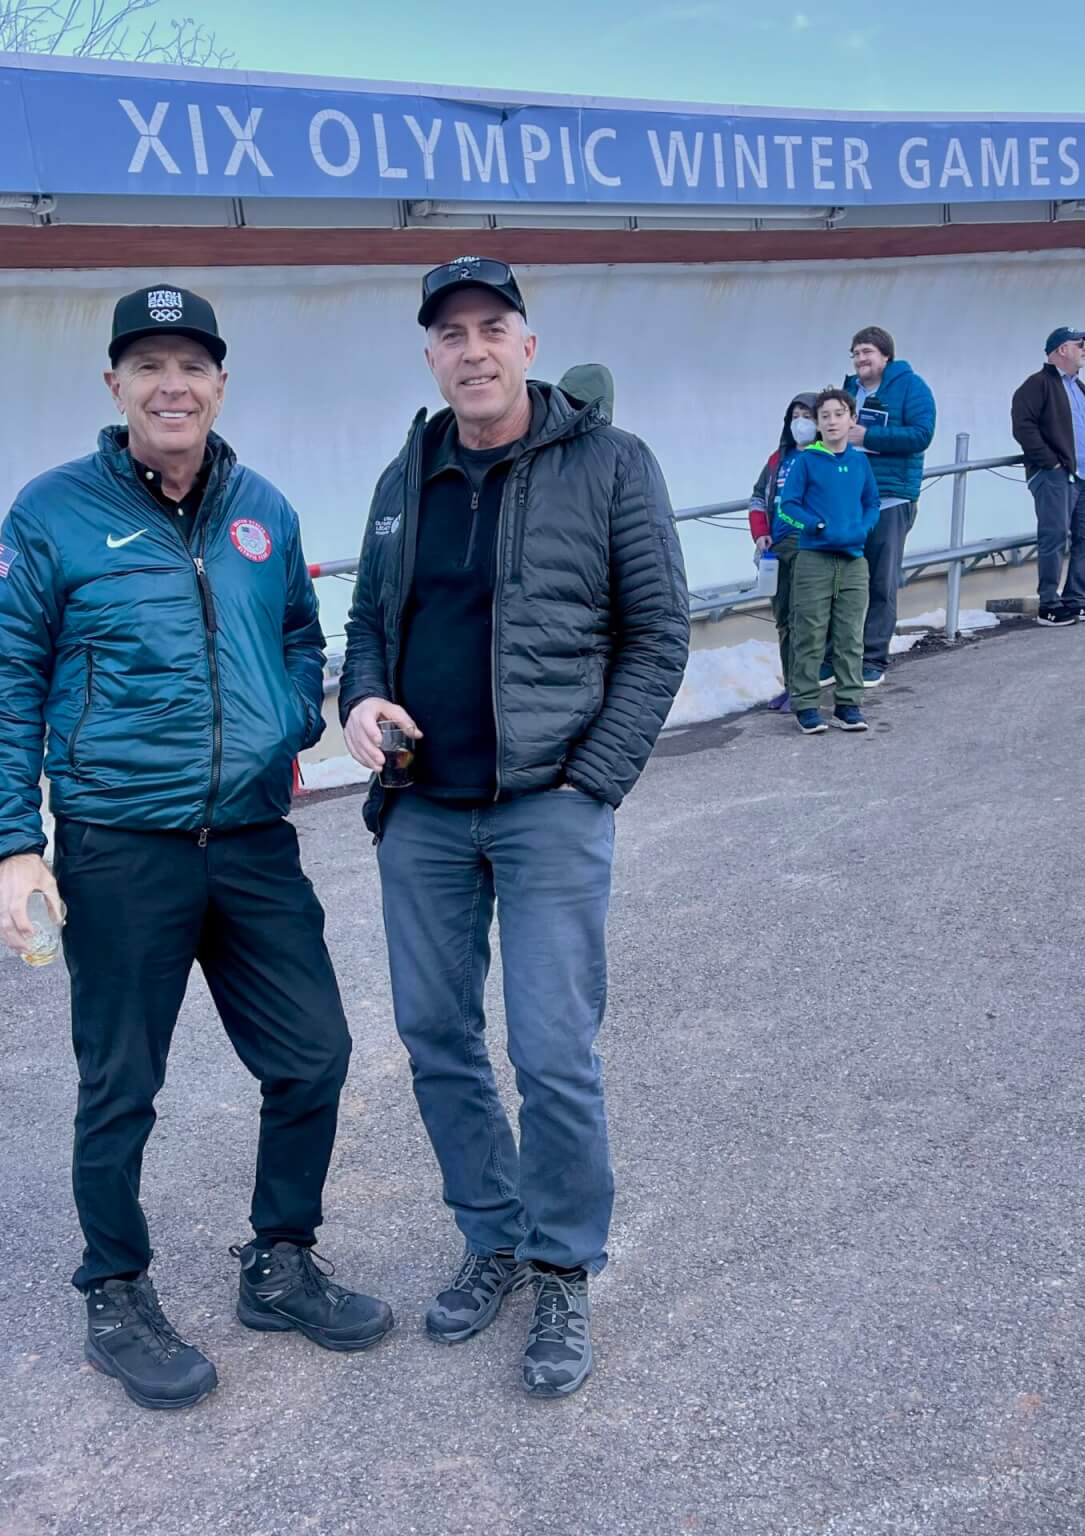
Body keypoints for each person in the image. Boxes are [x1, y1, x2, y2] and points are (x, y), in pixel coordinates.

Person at [0, 283, 393, 1415]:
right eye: (147, 363)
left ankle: (280, 1263)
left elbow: (302, 636)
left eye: (191, 364)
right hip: (119, 845)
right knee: (121, 1084)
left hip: (250, 838)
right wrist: (11, 843)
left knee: (313, 1056)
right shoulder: (51, 513)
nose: (172, 384)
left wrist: (287, 717)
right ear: (114, 385)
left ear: (218, 383)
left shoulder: (264, 509)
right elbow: (3, 681)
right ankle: (114, 1291)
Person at [339, 256, 690, 1399]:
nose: (472, 350)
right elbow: (367, 621)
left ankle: (561, 1266)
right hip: (423, 813)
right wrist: (360, 698)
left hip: (548, 805)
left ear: (528, 346)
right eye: (450, 334)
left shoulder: (609, 465)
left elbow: (658, 637)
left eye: (493, 328)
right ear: (430, 354)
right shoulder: (409, 471)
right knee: (435, 1037)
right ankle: (491, 1235)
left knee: (550, 1050)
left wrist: (594, 780)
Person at [776, 389, 881, 734]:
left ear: (851, 419)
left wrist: (862, 528)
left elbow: (872, 502)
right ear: (818, 425)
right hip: (814, 559)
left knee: (850, 633)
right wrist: (815, 524)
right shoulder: (806, 461)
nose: (832, 421)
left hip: (853, 559)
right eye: (825, 417)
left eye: (839, 414)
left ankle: (848, 704)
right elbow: (788, 504)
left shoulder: (859, 461)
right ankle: (806, 704)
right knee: (809, 631)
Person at [843, 327, 937, 686]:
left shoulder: (911, 387)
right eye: (855, 353)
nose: (860, 359)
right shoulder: (849, 389)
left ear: (885, 355)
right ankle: (841, 652)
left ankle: (873, 657)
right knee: (847, 579)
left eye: (866, 351)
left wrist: (869, 436)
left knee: (881, 580)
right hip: (850, 497)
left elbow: (921, 434)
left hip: (890, 496)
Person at [1012, 326, 1085, 628]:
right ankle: (1049, 603)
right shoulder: (1037, 384)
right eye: (1079, 344)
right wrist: (1050, 463)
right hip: (1057, 476)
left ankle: (1077, 599)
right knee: (1054, 536)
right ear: (1061, 350)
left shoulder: (1079, 387)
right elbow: (1023, 426)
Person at [749, 392, 821, 711]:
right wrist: (761, 534)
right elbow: (756, 497)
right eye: (795, 416)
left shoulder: (825, 457)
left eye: (807, 415)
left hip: (808, 546)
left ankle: (806, 689)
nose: (800, 422)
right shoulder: (778, 459)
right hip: (777, 548)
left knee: (803, 617)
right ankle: (791, 684)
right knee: (783, 620)